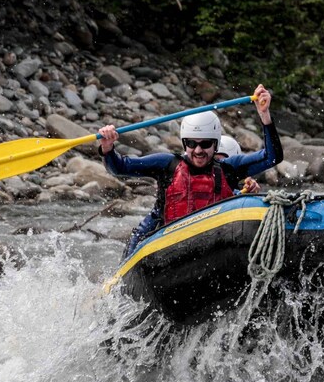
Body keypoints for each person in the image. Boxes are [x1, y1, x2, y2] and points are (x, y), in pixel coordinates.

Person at [98, 84, 283, 257]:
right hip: (165, 245)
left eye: (206, 144)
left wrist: (264, 115)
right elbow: (120, 168)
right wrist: (107, 147)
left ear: (216, 144)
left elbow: (272, 157)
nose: (198, 150)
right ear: (184, 142)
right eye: (191, 143)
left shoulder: (229, 168)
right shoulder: (167, 164)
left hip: (213, 246)